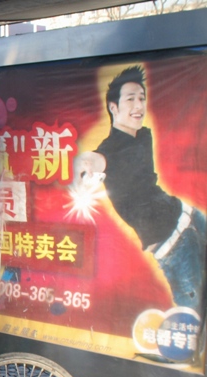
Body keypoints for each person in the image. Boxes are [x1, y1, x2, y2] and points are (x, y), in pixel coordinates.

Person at [76, 65, 206, 311]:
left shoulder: (143, 135)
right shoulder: (109, 150)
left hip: (191, 216)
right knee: (194, 316)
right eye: (130, 99)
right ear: (113, 107)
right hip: (175, 248)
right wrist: (84, 168)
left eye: (141, 98)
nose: (138, 106)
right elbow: (93, 159)